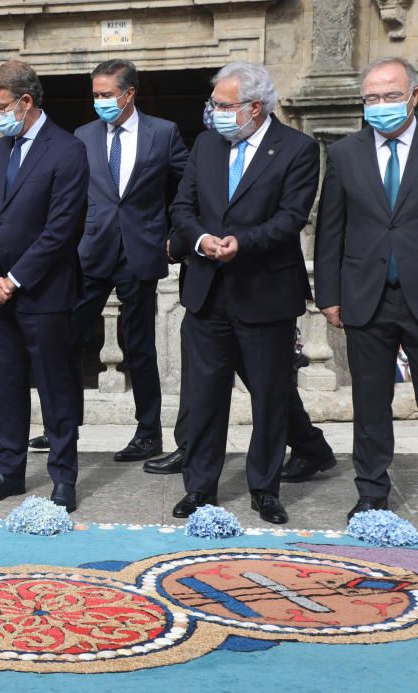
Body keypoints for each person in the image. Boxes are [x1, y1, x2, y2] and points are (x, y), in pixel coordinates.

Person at [169, 62, 319, 525]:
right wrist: (199, 240)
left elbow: (292, 217)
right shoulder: (206, 144)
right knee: (205, 397)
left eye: (222, 105)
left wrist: (242, 243)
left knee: (270, 398)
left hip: (265, 292)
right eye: (214, 104)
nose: (213, 112)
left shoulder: (297, 148)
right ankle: (199, 488)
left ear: (255, 108)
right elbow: (183, 206)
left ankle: (265, 490)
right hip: (207, 293)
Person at [27, 59, 188, 462]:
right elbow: (65, 193)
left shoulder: (163, 133)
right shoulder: (82, 135)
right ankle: (62, 427)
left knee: (140, 347)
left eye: (106, 95)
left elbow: (190, 184)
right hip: (90, 253)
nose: (99, 102)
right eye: (95, 95)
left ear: (128, 93)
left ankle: (148, 434)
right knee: (68, 339)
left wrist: (176, 234)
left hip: (141, 252)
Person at [0, 61, 89, 512]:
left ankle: (63, 475)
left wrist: (15, 280)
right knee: (8, 384)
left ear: (25, 102)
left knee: (56, 386)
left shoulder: (68, 150)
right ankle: (8, 470)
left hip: (45, 292)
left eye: (0, 107)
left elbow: (61, 230)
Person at [315, 57, 418, 521]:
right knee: (370, 402)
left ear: (414, 96)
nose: (381, 105)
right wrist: (329, 295)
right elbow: (329, 229)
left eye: (391, 96)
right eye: (372, 98)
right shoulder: (344, 153)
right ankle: (372, 491)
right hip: (366, 297)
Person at [146, 249, 336, 482]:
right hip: (208, 282)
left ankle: (308, 444)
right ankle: (190, 446)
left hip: (260, 281)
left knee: (266, 380)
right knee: (199, 367)